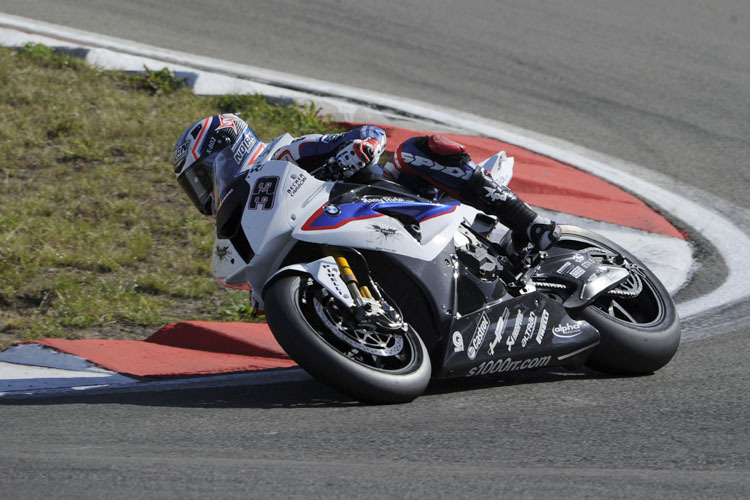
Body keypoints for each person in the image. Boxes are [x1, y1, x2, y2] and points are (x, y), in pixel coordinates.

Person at [173, 113, 560, 254]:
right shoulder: (245, 222)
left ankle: (528, 221)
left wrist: (355, 151)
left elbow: (369, 133)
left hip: (397, 201)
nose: (206, 192)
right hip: (353, 238)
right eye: (195, 187)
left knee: (413, 151)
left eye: (203, 177)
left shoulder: (285, 154)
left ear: (229, 149)